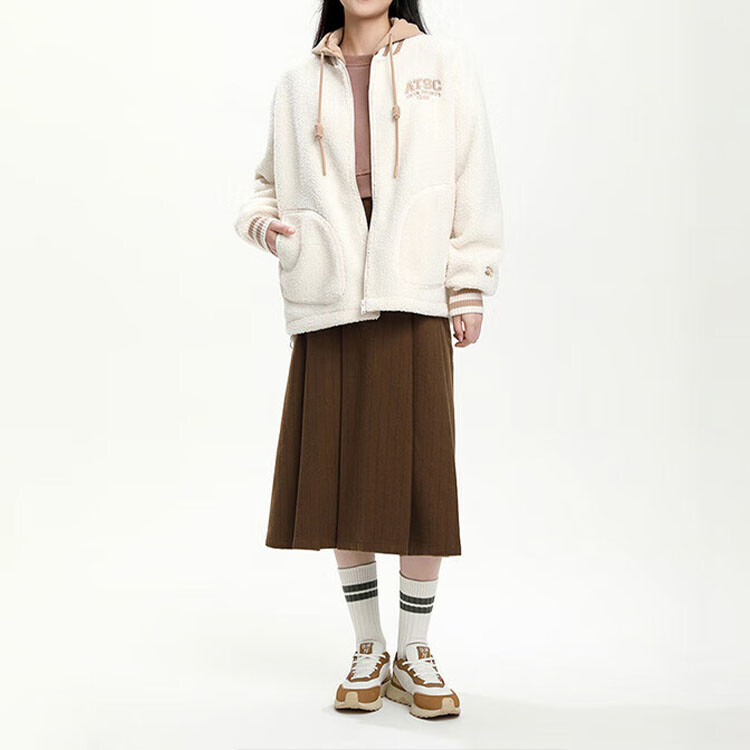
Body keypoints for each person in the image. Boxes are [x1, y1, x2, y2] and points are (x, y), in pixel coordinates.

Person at [234, 0, 502, 719]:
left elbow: (472, 176)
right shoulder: (297, 81)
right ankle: (368, 645)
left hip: (412, 283)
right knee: (341, 471)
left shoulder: (442, 64)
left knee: (422, 475)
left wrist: (469, 284)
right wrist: (267, 227)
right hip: (329, 287)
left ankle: (414, 651)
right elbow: (263, 186)